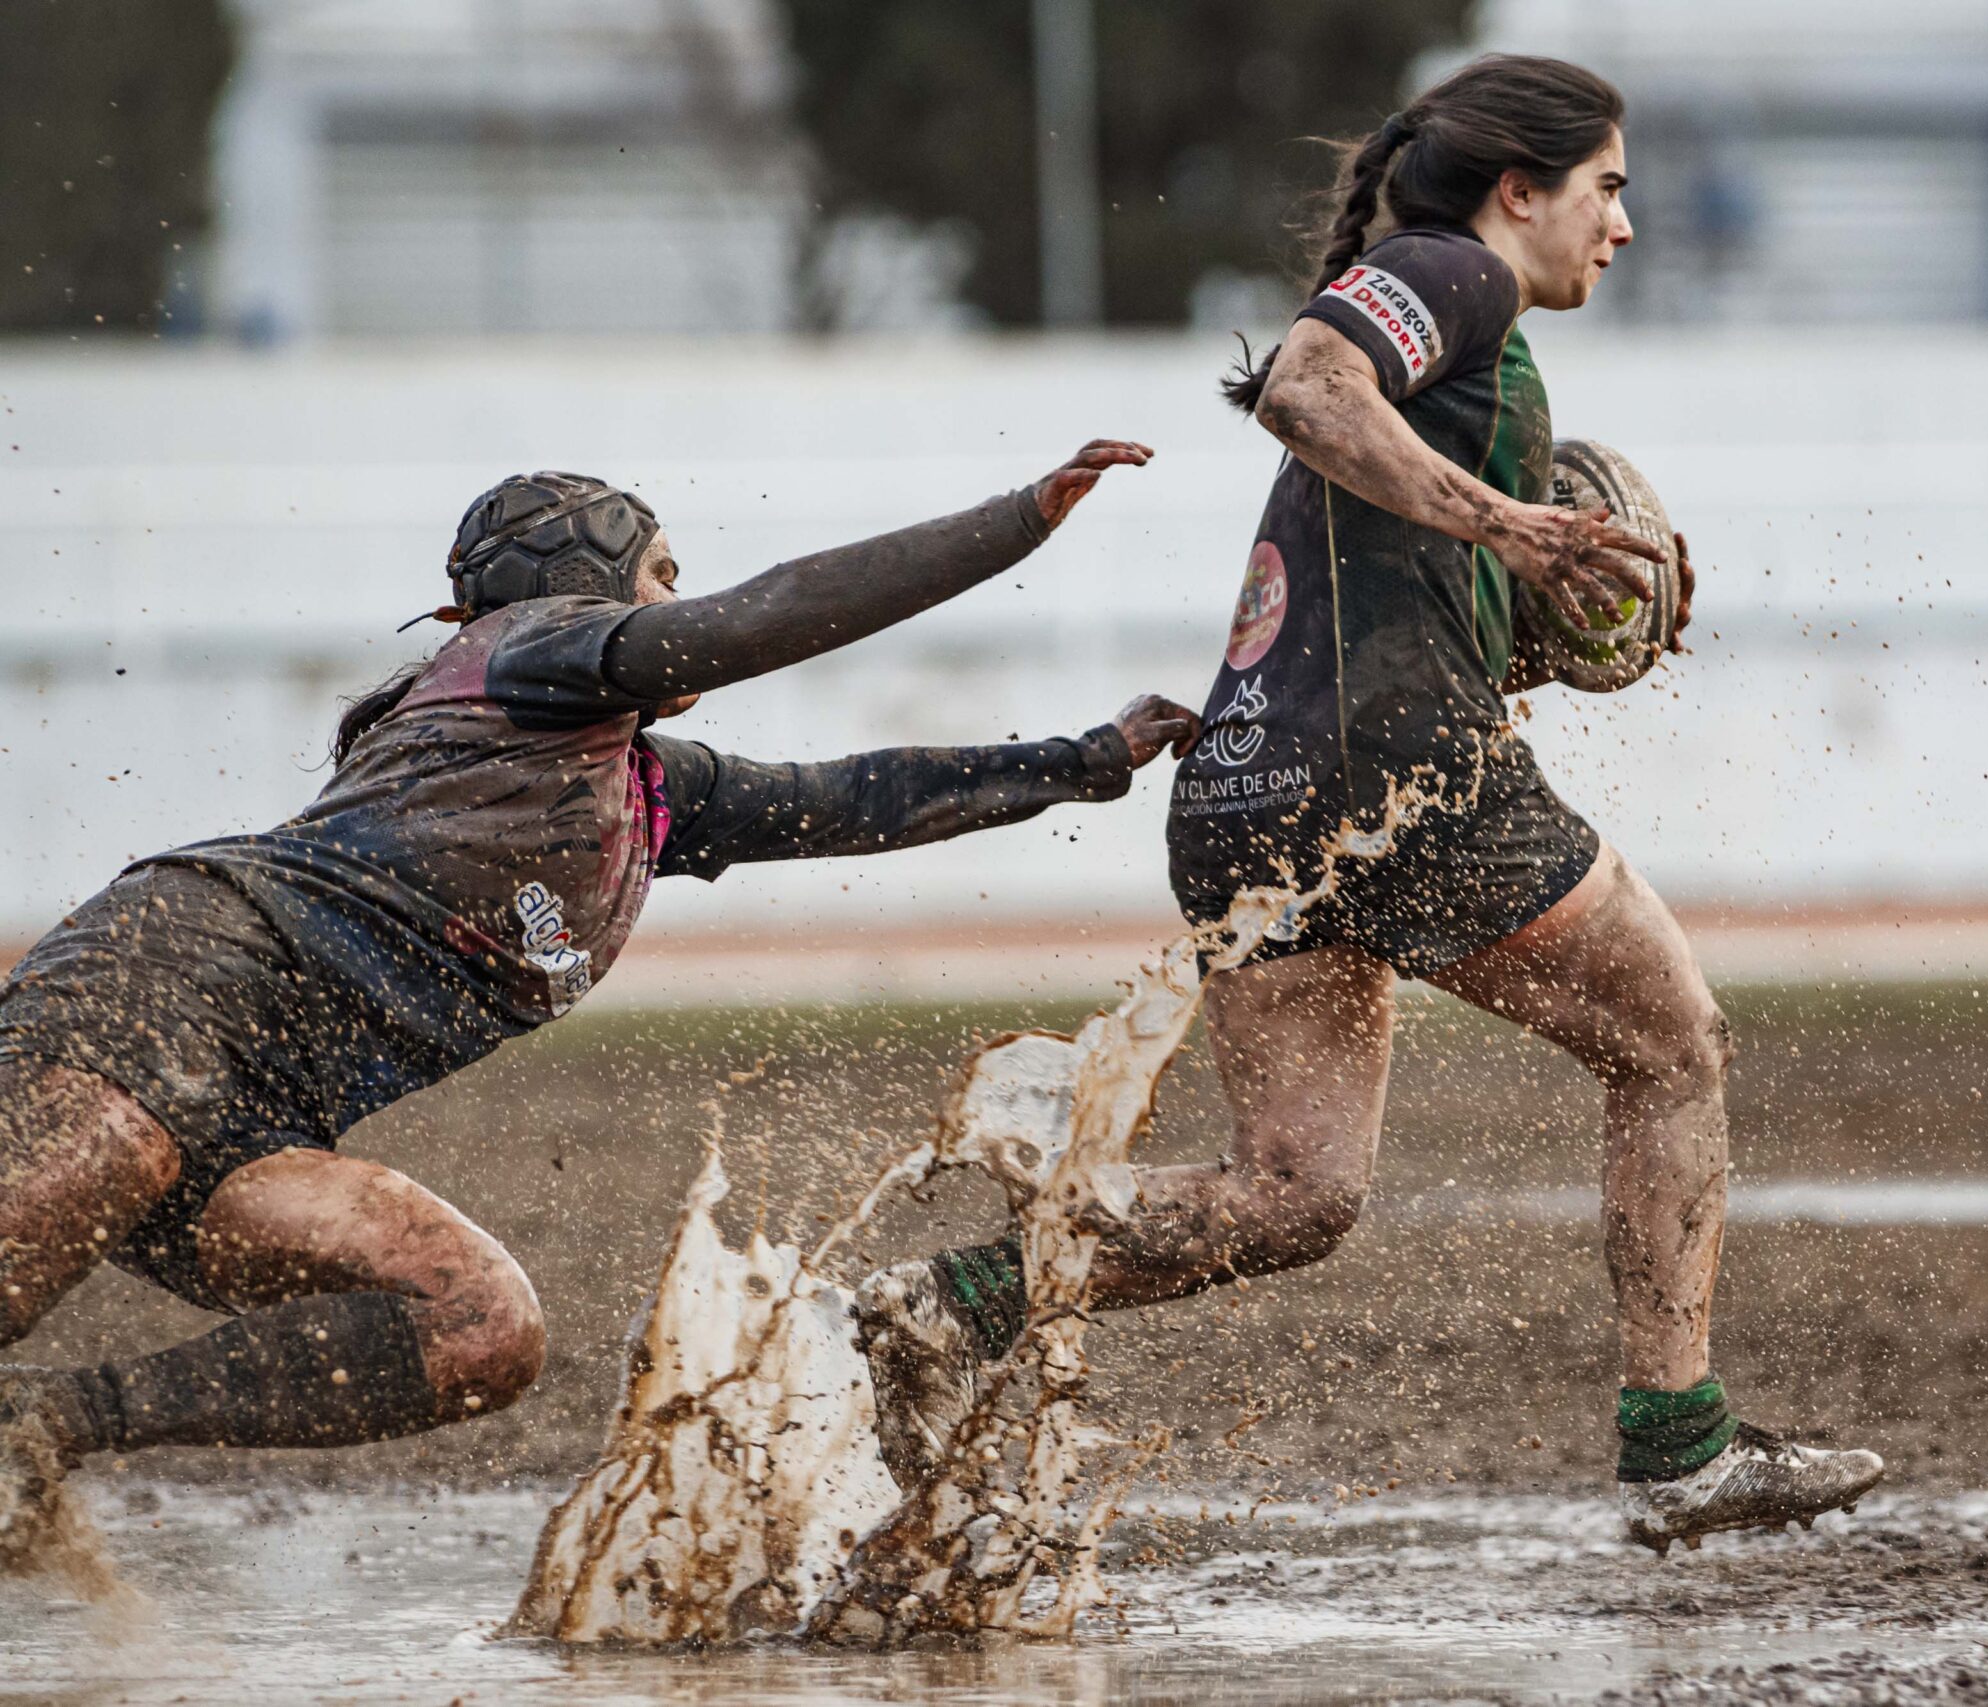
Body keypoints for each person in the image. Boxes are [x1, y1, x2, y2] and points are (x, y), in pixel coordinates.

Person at [865, 55, 1881, 1552]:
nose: (1625, 222)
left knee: (1295, 1195)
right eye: (1606, 188)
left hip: (1248, 786)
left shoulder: (1451, 318)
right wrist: (1517, 527)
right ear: (1517, 190)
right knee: (1674, 1048)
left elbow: (1372, 528)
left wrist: (1513, 599)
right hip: (1404, 775)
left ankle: (935, 1305)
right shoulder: (1450, 271)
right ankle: (1680, 1448)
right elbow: (1306, 386)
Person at [0, 443, 1199, 1562]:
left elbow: (858, 795)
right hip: (169, 982)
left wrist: (1084, 760)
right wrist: (1016, 522)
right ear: (573, 586)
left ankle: (49, 1422)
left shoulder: (648, 789)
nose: (679, 604)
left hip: (263, 1114)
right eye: (661, 579)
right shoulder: (522, 653)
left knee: (478, 1330)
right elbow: (769, 614)